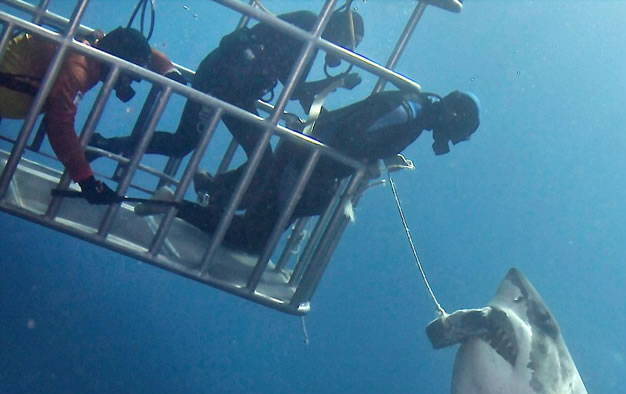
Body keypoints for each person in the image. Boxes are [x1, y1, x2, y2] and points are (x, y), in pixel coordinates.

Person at [140, 88, 481, 254]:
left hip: (308, 162)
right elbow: (351, 135)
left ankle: (217, 190)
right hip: (305, 162)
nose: (449, 140)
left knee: (267, 214)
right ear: (451, 118)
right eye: (457, 134)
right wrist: (373, 163)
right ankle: (173, 205)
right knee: (255, 240)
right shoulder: (408, 114)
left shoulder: (415, 113)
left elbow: (361, 134)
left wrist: (375, 160)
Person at [88, 7, 365, 166]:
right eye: (348, 43)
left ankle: (216, 199)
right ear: (339, 29)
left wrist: (335, 83)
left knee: (260, 155)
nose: (345, 51)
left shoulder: (311, 39)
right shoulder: (308, 26)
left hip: (238, 92)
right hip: (220, 82)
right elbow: (295, 89)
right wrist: (334, 81)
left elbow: (295, 90)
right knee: (183, 142)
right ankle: (102, 145)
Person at [0, 26, 179, 204]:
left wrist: (170, 71)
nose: (128, 82)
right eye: (129, 74)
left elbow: (136, 46)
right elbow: (59, 126)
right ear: (116, 61)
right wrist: (87, 181)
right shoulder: (79, 69)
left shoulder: (97, 47)